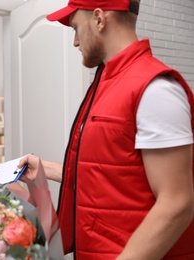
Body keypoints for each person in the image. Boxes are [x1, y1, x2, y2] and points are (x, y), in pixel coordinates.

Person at [18, 0, 194, 259]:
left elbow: (176, 203)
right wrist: (46, 169)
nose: (75, 42)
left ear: (99, 19)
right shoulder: (106, 83)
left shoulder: (156, 90)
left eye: (76, 28)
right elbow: (109, 170)